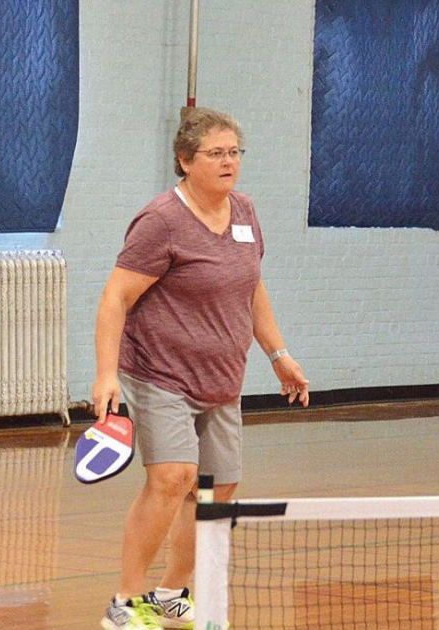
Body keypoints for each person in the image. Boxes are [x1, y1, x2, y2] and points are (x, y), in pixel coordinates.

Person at [91, 109, 309, 630]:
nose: (228, 161)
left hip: (222, 378)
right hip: (160, 372)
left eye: (234, 151)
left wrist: (279, 355)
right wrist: (106, 374)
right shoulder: (162, 221)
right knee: (173, 477)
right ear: (185, 161)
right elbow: (115, 298)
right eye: (216, 153)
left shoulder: (245, 212)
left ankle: (172, 593)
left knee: (215, 489)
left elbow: (252, 288)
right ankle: (125, 600)